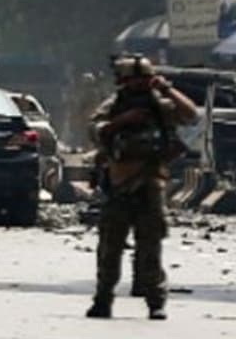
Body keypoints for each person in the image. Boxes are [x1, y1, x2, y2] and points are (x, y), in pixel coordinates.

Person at [87, 55, 198, 321]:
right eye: (134, 81)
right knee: (110, 249)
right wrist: (123, 120)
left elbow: (191, 115)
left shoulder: (160, 106)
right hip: (119, 184)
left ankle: (155, 302)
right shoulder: (113, 105)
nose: (139, 87)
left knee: (151, 248)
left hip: (151, 183)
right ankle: (103, 300)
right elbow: (95, 129)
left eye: (144, 80)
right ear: (123, 83)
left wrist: (166, 88)